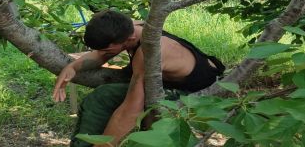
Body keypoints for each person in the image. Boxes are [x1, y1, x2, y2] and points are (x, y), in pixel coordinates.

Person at [52, 10, 225, 146]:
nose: (104, 54)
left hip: (195, 92)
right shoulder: (131, 27)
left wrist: (105, 145)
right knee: (104, 96)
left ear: (129, 39)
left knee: (102, 97)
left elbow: (130, 111)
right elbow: (100, 54)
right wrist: (72, 67)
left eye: (108, 51)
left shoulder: (148, 53)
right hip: (165, 80)